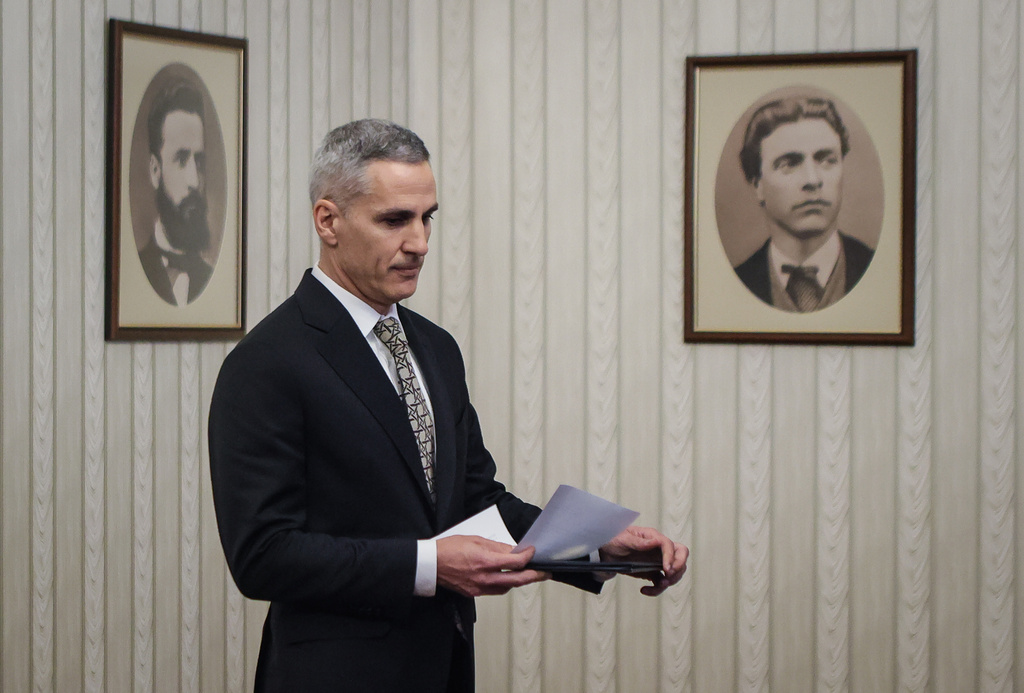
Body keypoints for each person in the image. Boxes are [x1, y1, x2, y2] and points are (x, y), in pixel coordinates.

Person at [208, 119, 688, 693]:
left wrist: (595, 545)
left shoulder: (435, 347)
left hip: (442, 668)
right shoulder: (267, 362)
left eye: (426, 217)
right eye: (394, 220)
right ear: (327, 221)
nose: (420, 243)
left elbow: (473, 498)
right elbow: (263, 555)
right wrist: (431, 566)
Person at [732, 95, 874, 312]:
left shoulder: (878, 271)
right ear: (758, 184)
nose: (812, 180)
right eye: (789, 164)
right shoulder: (737, 282)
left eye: (827, 160)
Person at [136, 79, 214, 306]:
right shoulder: (141, 267)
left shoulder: (207, 276)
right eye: (181, 159)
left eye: (198, 161)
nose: (194, 180)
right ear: (155, 170)